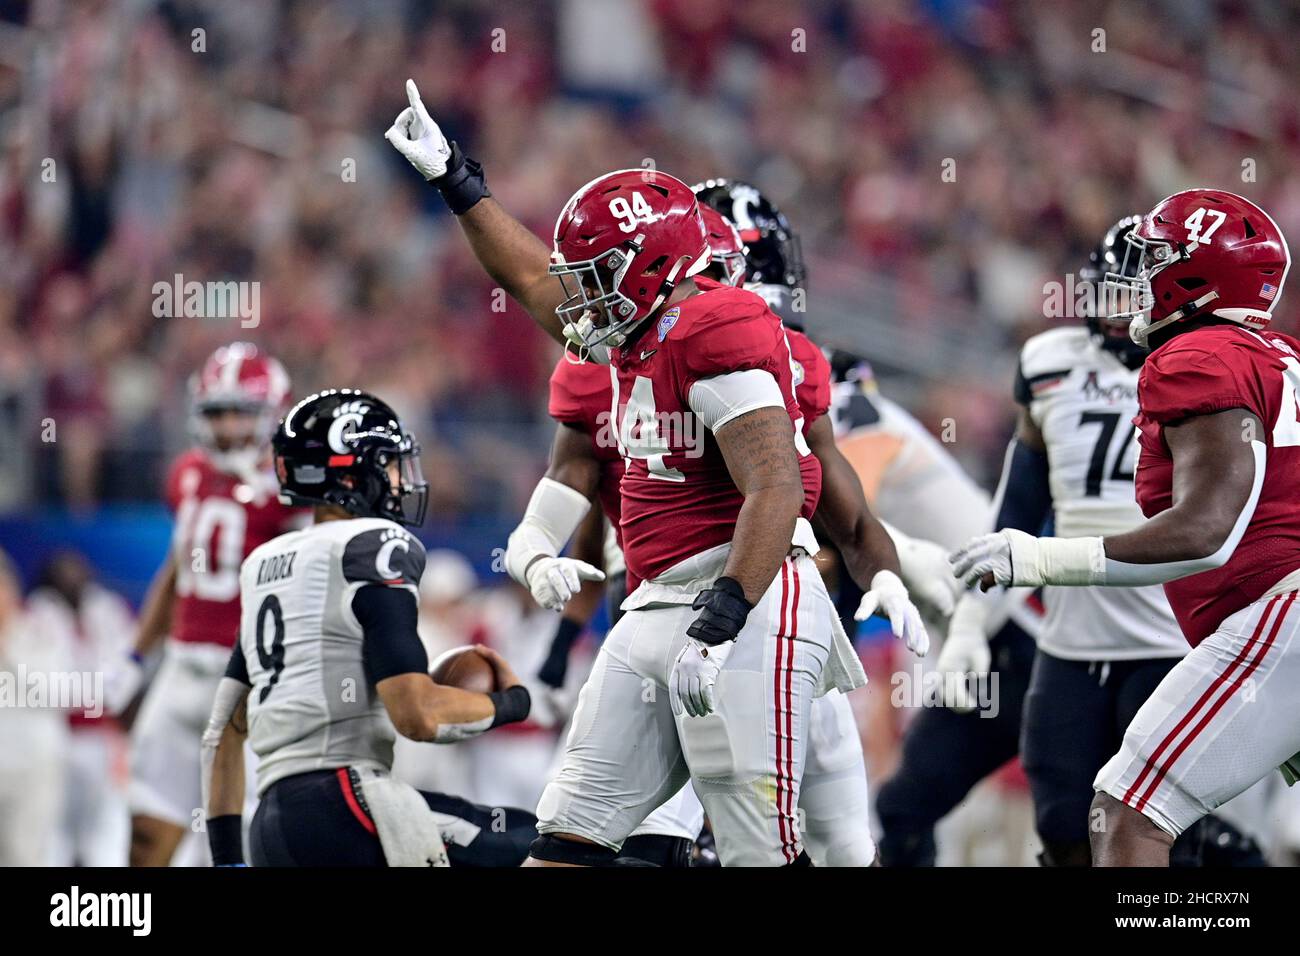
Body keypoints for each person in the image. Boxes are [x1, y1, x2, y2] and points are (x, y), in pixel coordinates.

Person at [385, 80, 927, 865]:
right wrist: (457, 181)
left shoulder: (719, 327)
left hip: (752, 603)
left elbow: (781, 485)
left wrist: (738, 608)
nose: (582, 296)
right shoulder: (631, 334)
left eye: (600, 273)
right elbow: (536, 281)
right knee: (568, 837)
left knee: (775, 849)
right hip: (654, 604)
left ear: (651, 267)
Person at [952, 189, 1300, 866]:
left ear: (1196, 273)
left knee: (1127, 810)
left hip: (1280, 614)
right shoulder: (1277, 355)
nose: (1139, 280)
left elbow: (1208, 532)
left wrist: (1044, 559)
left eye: (1155, 260)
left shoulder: (1198, 357)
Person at [202, 389, 537, 867]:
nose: (400, 478)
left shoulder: (263, 564)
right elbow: (416, 715)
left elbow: (222, 732)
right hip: (348, 805)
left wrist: (229, 861)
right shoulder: (375, 545)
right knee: (549, 846)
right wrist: (509, 703)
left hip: (271, 829)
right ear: (352, 468)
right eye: (390, 462)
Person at [27, 551, 135, 866]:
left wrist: (105, 694)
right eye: (64, 569)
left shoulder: (107, 607)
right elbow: (45, 684)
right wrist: (95, 689)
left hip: (105, 733)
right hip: (58, 734)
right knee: (56, 825)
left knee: (108, 823)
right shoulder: (38, 612)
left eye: (78, 567)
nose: (73, 574)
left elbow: (127, 666)